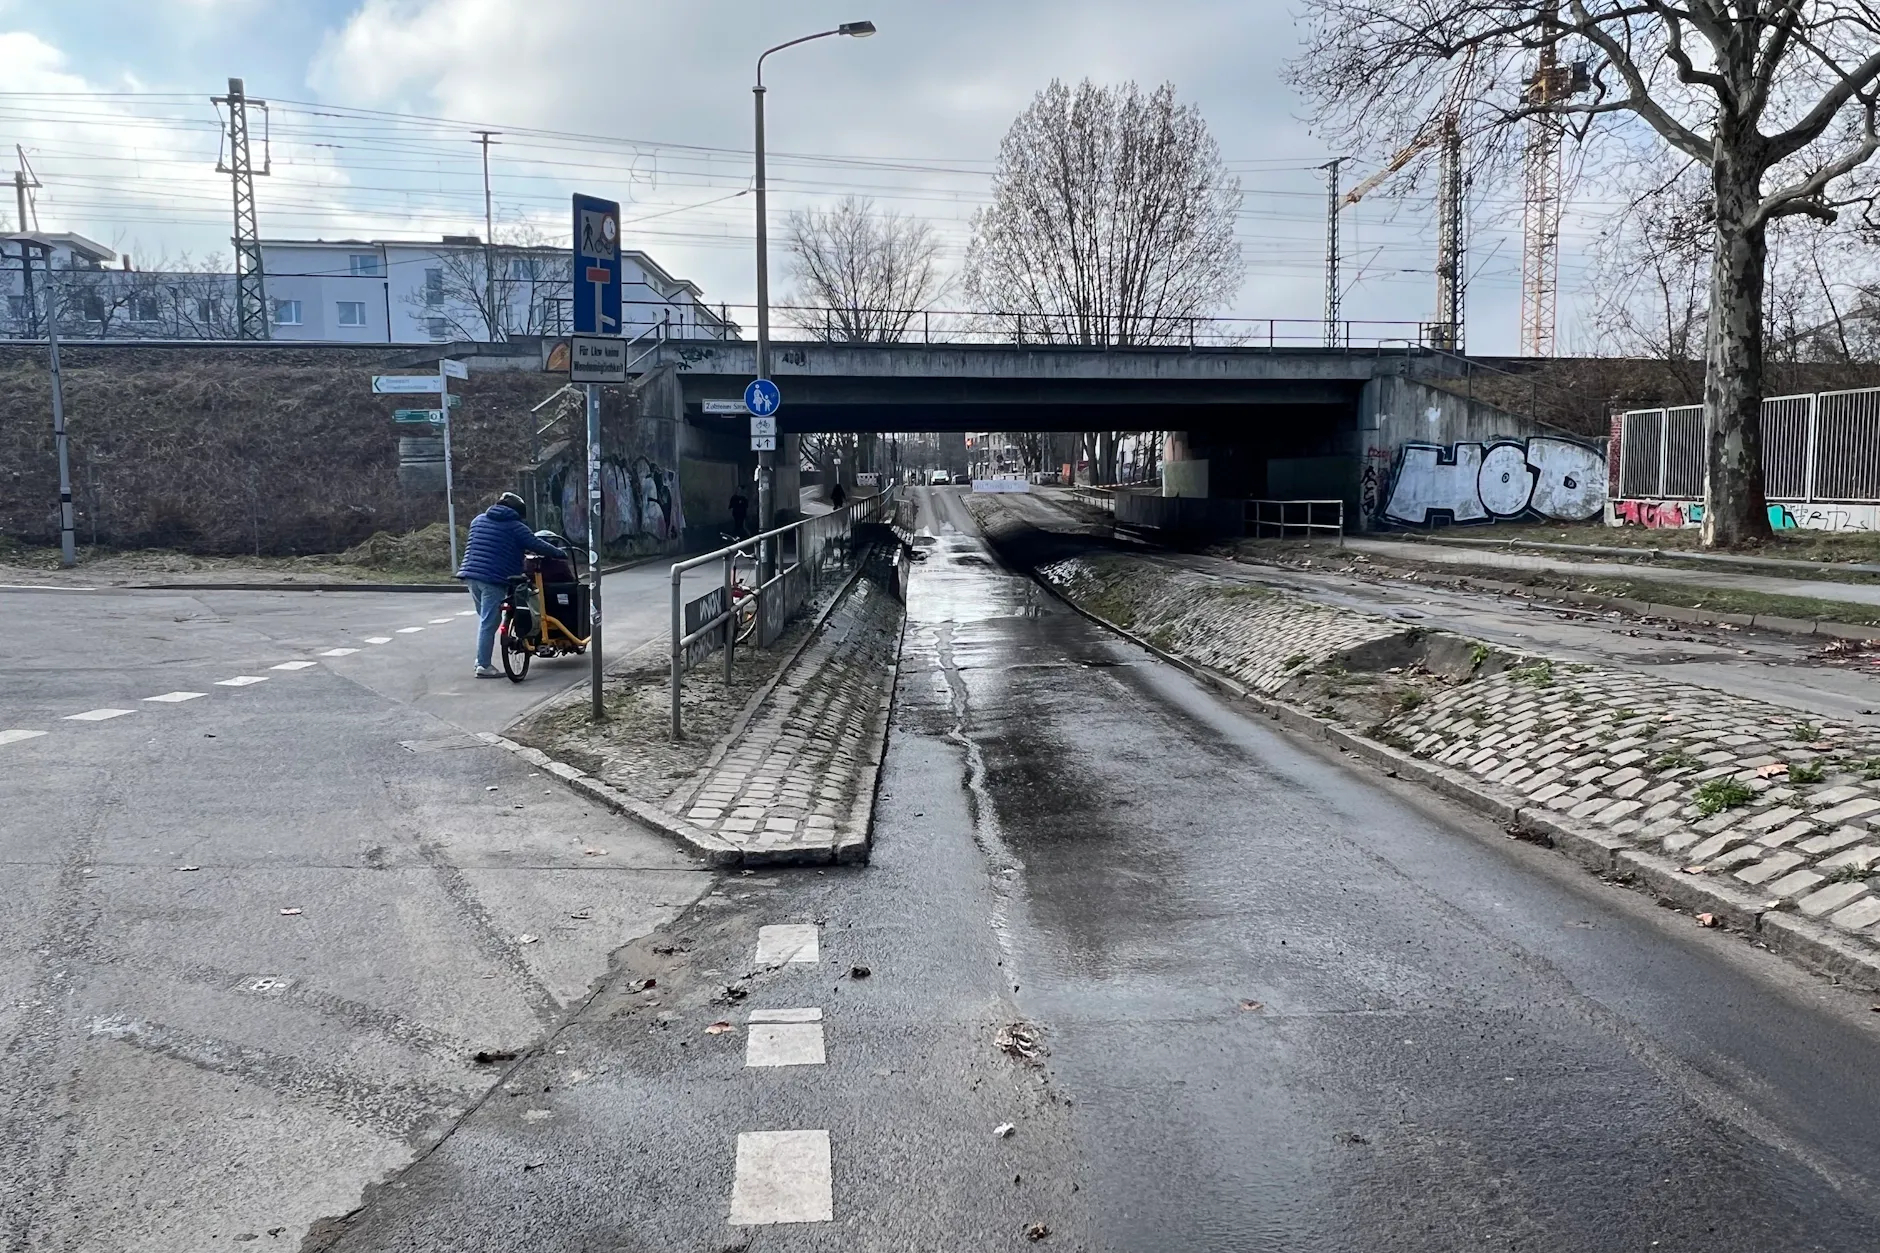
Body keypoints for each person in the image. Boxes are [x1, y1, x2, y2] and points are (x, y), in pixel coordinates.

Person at [456, 492, 569, 678]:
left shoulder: (478, 520)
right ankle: (483, 666)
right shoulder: (516, 527)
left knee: (485, 619)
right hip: (493, 579)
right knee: (489, 622)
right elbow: (537, 544)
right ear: (517, 512)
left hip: (471, 575)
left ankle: (481, 660)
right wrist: (560, 553)